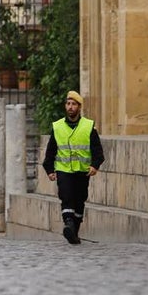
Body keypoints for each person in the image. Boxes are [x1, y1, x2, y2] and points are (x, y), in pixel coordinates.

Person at [41, 90, 104, 245]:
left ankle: (74, 231)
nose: (70, 107)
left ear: (79, 107)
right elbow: (51, 150)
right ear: (65, 106)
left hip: (82, 171)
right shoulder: (57, 127)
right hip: (63, 170)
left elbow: (98, 151)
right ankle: (68, 223)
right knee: (66, 195)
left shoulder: (88, 126)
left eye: (74, 104)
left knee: (79, 200)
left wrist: (95, 165)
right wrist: (49, 169)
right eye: (68, 104)